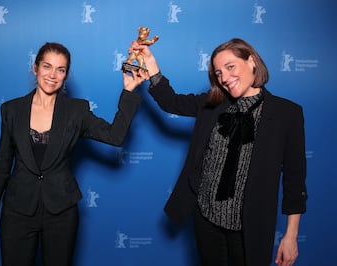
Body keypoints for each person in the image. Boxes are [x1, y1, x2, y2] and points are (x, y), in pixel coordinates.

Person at [131, 38, 307, 266]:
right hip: (206, 221)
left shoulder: (287, 113)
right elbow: (170, 101)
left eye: (230, 67)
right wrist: (149, 61)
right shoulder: (213, 103)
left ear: (251, 61)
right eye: (218, 73)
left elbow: (295, 180)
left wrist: (291, 236)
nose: (224, 78)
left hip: (249, 228)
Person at [0, 42, 145, 266]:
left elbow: (115, 137)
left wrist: (128, 91)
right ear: (35, 68)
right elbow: (2, 164)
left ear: (66, 75)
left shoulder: (77, 110)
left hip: (61, 212)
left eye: (61, 69)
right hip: (17, 211)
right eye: (47, 66)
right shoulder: (11, 110)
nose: (53, 75)